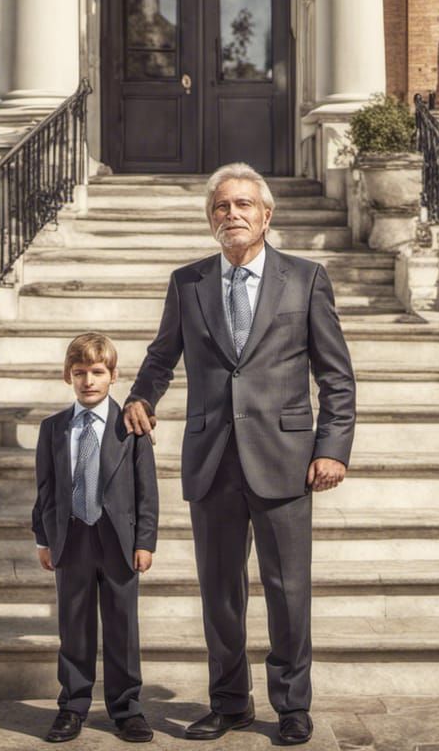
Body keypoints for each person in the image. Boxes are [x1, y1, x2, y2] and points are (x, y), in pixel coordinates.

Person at [124, 163, 356, 745]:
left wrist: (333, 448)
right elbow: (161, 356)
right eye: (222, 207)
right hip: (212, 457)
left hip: (285, 457)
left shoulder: (305, 279)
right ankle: (230, 704)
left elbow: (337, 377)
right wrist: (140, 397)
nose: (232, 215)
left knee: (287, 590)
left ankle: (292, 705)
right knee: (220, 593)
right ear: (210, 219)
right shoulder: (188, 283)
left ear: (266, 215)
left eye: (243, 205)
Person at [33, 332, 159, 743]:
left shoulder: (131, 427)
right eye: (81, 372)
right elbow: (46, 488)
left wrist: (146, 541)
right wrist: (42, 538)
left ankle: (127, 709)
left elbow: (147, 490)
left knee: (123, 626)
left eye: (98, 372)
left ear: (114, 376)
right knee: (75, 626)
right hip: (71, 538)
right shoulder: (53, 428)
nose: (89, 380)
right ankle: (72, 705)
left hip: (119, 540)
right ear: (68, 376)